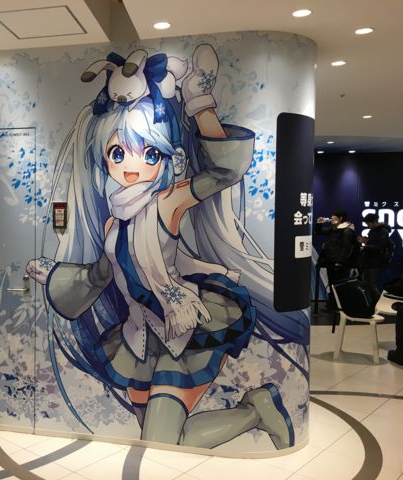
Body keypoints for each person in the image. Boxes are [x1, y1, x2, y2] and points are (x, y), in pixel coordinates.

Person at [26, 45, 308, 449]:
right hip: (140, 341)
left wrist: (199, 102)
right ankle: (256, 409)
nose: (131, 166)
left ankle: (255, 411)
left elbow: (224, 171)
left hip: (183, 331)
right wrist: (54, 275)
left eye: (149, 152)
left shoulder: (167, 203)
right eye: (118, 153)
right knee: (156, 439)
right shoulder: (113, 221)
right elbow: (102, 274)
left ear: (167, 157)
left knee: (162, 438)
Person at [315, 210, 358, 286]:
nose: (331, 219)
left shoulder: (347, 230)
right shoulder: (333, 228)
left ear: (340, 218)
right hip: (330, 260)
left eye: (333, 218)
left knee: (340, 284)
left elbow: (346, 247)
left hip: (339, 263)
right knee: (331, 283)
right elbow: (318, 232)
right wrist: (319, 224)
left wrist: (339, 261)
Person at [359, 213, 392, 299]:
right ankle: (369, 302)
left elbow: (380, 247)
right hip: (368, 260)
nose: (368, 226)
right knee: (365, 283)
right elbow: (373, 244)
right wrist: (365, 241)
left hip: (375, 261)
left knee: (370, 283)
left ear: (374, 222)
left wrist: (365, 247)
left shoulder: (383, 231)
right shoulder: (372, 231)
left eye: (368, 223)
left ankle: (378, 301)